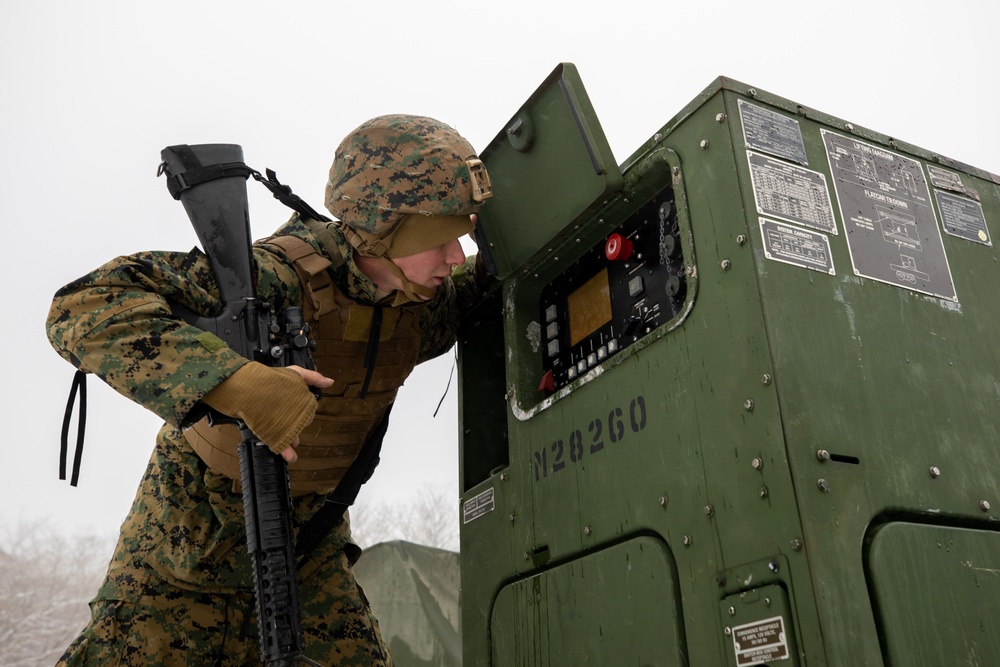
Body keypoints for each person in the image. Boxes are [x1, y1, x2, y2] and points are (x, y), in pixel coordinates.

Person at [46, 114, 494, 666]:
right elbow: (85, 304)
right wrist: (230, 380)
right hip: (181, 560)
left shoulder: (421, 308)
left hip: (308, 554)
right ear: (385, 227)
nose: (455, 258)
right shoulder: (271, 282)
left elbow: (490, 285)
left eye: (462, 238)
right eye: (442, 238)